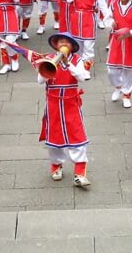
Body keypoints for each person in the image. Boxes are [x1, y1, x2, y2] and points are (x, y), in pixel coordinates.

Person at [38, 32, 91, 187]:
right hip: (53, 104)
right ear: (56, 44)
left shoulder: (78, 60)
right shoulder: (47, 58)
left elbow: (82, 77)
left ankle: (80, 173)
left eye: (67, 43)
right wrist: (47, 68)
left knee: (77, 134)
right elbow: (40, 80)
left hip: (71, 104)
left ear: (72, 46)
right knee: (54, 135)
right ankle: (56, 166)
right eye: (61, 41)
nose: (63, 45)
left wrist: (68, 64)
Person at [60, 0, 112, 77]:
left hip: (89, 19)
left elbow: (103, 6)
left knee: (88, 47)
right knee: (77, 47)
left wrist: (109, 20)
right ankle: (78, 69)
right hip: (76, 20)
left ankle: (86, 70)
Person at [106, 0, 132, 108]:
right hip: (116, 40)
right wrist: (111, 23)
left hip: (131, 42)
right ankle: (118, 86)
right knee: (112, 70)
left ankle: (127, 94)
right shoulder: (114, 4)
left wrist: (130, 33)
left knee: (130, 71)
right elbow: (107, 17)